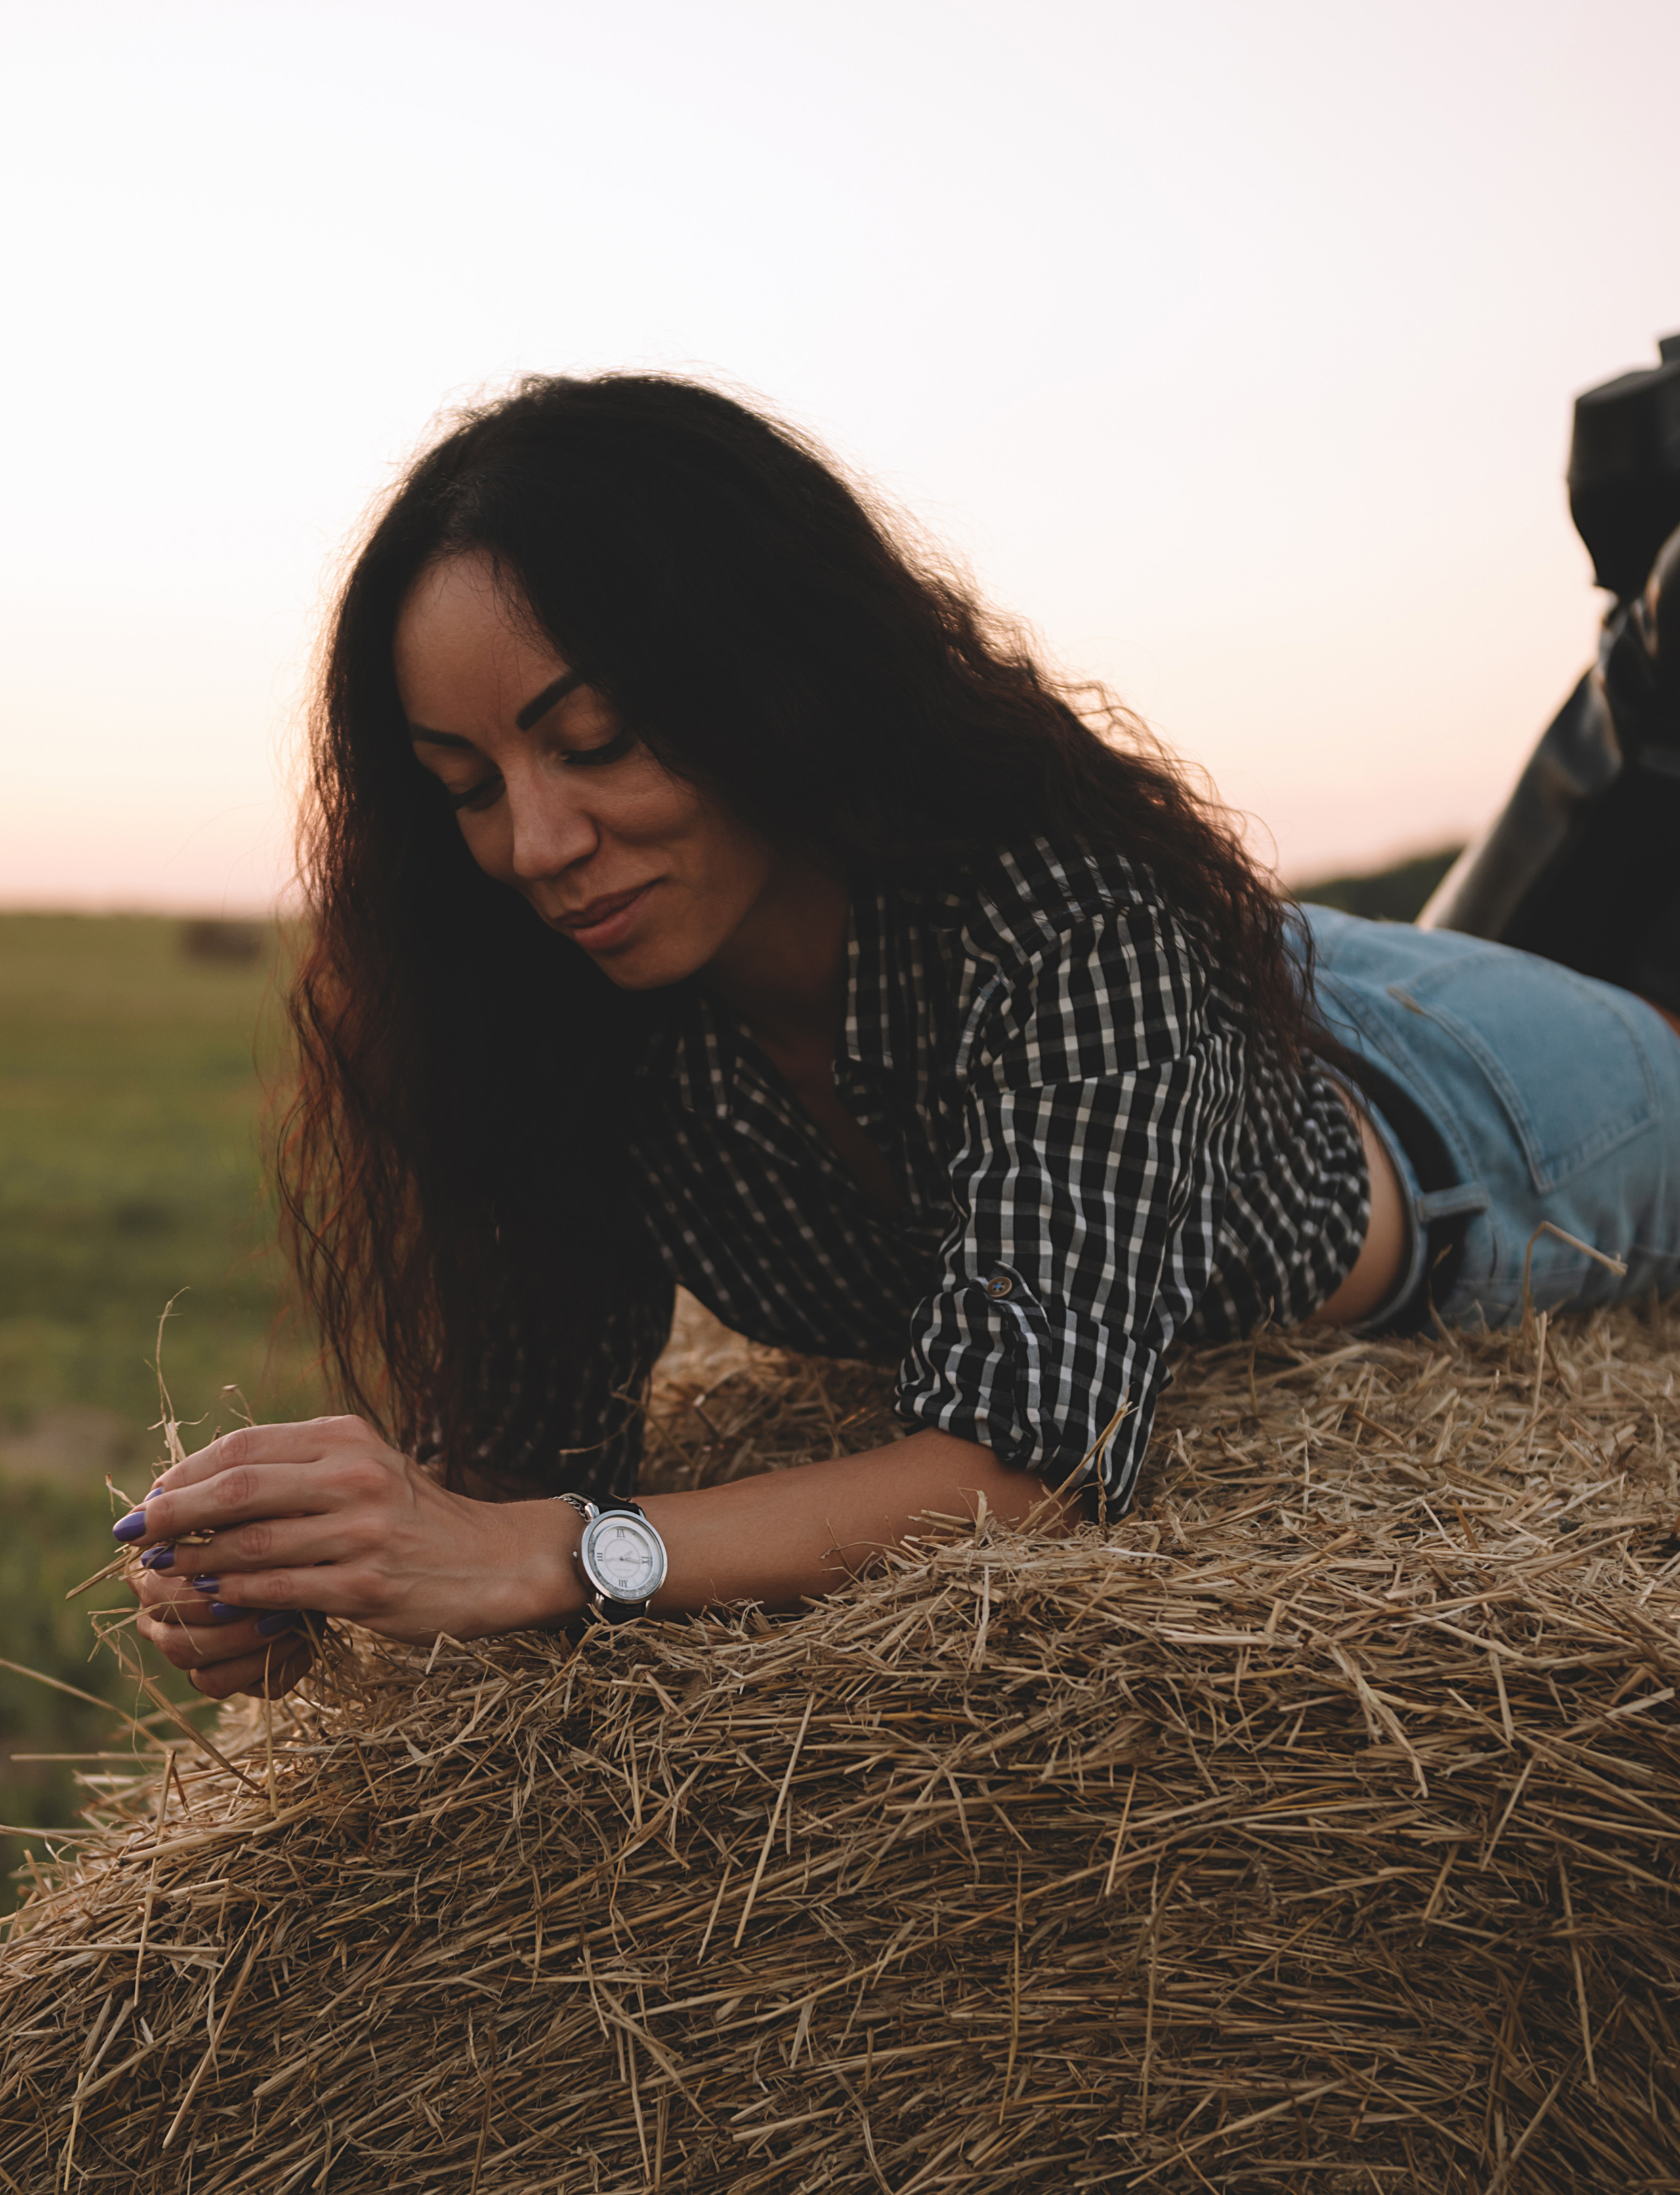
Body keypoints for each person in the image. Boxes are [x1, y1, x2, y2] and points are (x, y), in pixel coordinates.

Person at [118, 375, 1680, 1699]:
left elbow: (1022, 1470)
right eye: (465, 782)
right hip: (1198, 1012)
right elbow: (512, 1470)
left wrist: (546, 1553)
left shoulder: (1071, 915)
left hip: (1470, 1113)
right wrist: (317, 1565)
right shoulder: (558, 999)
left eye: (594, 741)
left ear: (765, 678)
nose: (534, 842)